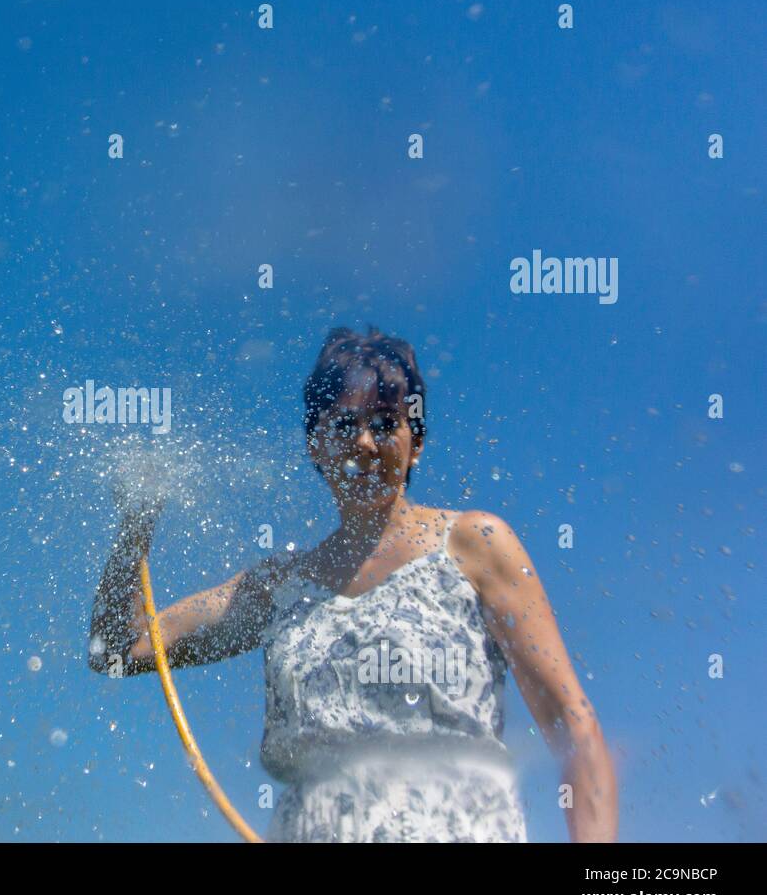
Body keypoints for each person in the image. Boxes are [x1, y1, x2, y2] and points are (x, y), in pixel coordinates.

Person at [88, 325, 618, 842]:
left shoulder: (476, 544)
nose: (364, 443)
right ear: (315, 446)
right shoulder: (280, 586)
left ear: (416, 444)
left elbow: (572, 722)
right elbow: (116, 650)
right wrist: (138, 520)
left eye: (386, 423)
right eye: (343, 425)